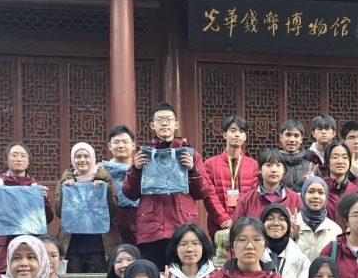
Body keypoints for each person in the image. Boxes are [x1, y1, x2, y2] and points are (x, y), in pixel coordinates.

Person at [124, 102, 229, 266]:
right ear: (152, 125)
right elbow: (129, 193)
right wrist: (136, 169)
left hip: (182, 223)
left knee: (184, 272)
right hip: (151, 227)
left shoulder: (190, 154)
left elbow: (203, 191)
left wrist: (193, 170)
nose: (164, 123)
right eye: (159, 120)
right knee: (154, 274)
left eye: (168, 119)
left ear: (176, 124)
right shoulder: (143, 155)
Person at [0, 142, 55, 274]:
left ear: (28, 161)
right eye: (14, 155)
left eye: (23, 156)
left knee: (28, 274)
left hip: (29, 243)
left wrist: (44, 201)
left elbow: (47, 219)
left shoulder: (35, 188)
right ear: (6, 160)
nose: (19, 159)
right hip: (3, 246)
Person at [55, 142, 119, 273]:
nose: (82, 160)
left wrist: (104, 190)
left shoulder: (104, 179)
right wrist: (66, 191)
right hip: (72, 245)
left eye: (86, 156)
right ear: (73, 159)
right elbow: (59, 212)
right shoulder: (65, 181)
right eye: (78, 156)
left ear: (92, 158)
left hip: (99, 245)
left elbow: (113, 211)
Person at [202, 115, 260, 235]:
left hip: (245, 227)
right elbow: (209, 196)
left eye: (241, 131)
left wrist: (242, 222)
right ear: (225, 135)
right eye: (233, 131)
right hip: (219, 227)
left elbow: (253, 197)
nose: (237, 134)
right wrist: (224, 220)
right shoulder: (210, 164)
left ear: (245, 137)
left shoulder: (253, 165)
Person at [261, 203, 310, 278]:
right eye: (270, 219)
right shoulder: (254, 256)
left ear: (288, 225)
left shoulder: (300, 259)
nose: (276, 223)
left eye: (282, 219)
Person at [232, 148, 303, 220]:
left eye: (278, 165)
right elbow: (237, 226)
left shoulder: (295, 199)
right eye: (268, 165)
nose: (274, 170)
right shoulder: (246, 200)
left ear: (284, 170)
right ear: (259, 169)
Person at [102, 125, 140, 245]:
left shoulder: (141, 169)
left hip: (138, 218)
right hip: (111, 221)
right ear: (109, 146)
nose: (121, 146)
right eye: (116, 142)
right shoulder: (101, 171)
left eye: (125, 142)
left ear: (133, 145)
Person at [295, 176, 343, 262]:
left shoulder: (335, 230)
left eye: (321, 192)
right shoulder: (292, 225)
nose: (316, 196)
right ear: (303, 194)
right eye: (311, 191)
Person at [322, 140, 358, 226]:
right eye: (335, 157)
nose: (340, 161)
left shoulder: (357, 193)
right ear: (327, 162)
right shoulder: (319, 189)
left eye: (344, 157)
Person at [278, 119, 313, 192]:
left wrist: (313, 181)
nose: (292, 140)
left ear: (301, 139)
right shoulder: (274, 164)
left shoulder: (311, 166)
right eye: (288, 135)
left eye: (296, 136)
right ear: (281, 137)